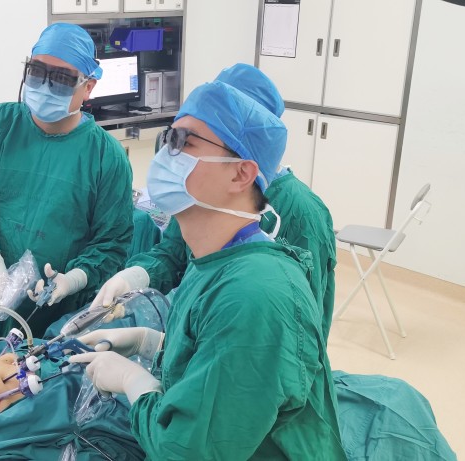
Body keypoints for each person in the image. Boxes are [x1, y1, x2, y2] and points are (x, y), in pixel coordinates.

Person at [70, 82, 346, 459]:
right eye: (168, 136)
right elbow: (219, 357)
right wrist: (154, 345)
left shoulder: (254, 295)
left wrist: (134, 381)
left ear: (240, 174)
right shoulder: (214, 261)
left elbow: (188, 452)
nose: (166, 153)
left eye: (184, 141)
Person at [95, 63, 338, 341]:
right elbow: (174, 253)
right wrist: (135, 277)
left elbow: (301, 325)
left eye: (190, 141)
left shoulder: (302, 211)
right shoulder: (201, 195)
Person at [0, 23, 133, 336]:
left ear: (88, 87)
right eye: (36, 71)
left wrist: (73, 278)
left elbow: (111, 242)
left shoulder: (106, 157)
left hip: (52, 312)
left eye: (62, 79)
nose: (45, 85)